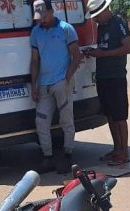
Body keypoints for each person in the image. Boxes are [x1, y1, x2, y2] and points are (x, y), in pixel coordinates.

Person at [30, 0, 81, 174]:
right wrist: (34, 84)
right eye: (39, 18)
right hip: (44, 84)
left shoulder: (66, 29)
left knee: (66, 120)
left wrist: (67, 78)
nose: (41, 20)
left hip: (62, 83)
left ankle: (67, 155)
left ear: (52, 11)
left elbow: (76, 56)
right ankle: (48, 157)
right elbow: (35, 61)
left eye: (44, 16)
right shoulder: (36, 32)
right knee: (41, 122)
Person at [84, 0, 130, 166]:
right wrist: (93, 53)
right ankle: (117, 149)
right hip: (103, 76)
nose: (95, 20)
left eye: (96, 16)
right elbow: (103, 48)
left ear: (104, 11)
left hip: (116, 77)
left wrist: (103, 54)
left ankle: (124, 153)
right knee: (110, 115)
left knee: (120, 116)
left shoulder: (118, 22)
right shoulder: (101, 27)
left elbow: (127, 48)